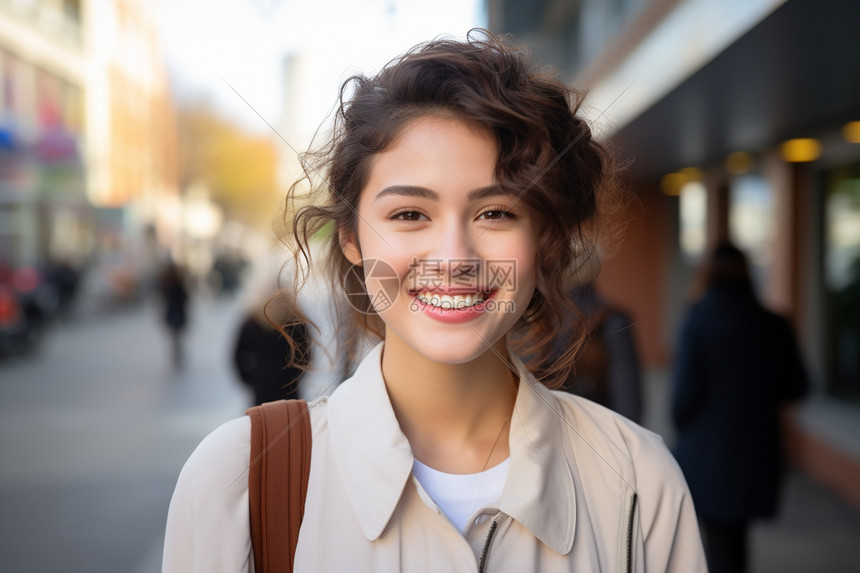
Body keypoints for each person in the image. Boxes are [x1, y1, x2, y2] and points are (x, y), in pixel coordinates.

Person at [163, 30, 706, 571]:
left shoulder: (638, 481)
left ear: (545, 242)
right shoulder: (239, 479)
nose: (454, 258)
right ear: (351, 237)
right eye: (409, 215)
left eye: (496, 213)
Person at [671, 242, 809, 573]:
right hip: (757, 453)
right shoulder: (774, 324)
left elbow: (683, 401)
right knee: (735, 546)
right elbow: (798, 387)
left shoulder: (697, 324)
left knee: (718, 547)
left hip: (708, 454)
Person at [546, 281, 644, 423]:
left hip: (548, 432)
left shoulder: (538, 323)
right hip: (599, 431)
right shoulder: (614, 320)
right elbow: (629, 407)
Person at [158, 261, 189, 369]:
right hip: (177, 313)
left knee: (175, 337)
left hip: (173, 313)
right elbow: (186, 298)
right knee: (177, 337)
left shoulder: (167, 284)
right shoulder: (176, 283)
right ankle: (178, 356)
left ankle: (176, 356)